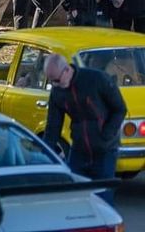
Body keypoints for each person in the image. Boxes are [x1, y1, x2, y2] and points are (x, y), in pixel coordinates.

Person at [42, 53, 126, 201]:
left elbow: (119, 109)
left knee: (102, 199)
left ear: (67, 70)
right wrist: (46, 151)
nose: (54, 84)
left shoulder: (96, 79)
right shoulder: (57, 91)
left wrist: (107, 134)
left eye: (56, 80)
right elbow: (53, 125)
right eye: (51, 81)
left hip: (104, 151)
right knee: (75, 197)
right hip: (79, 151)